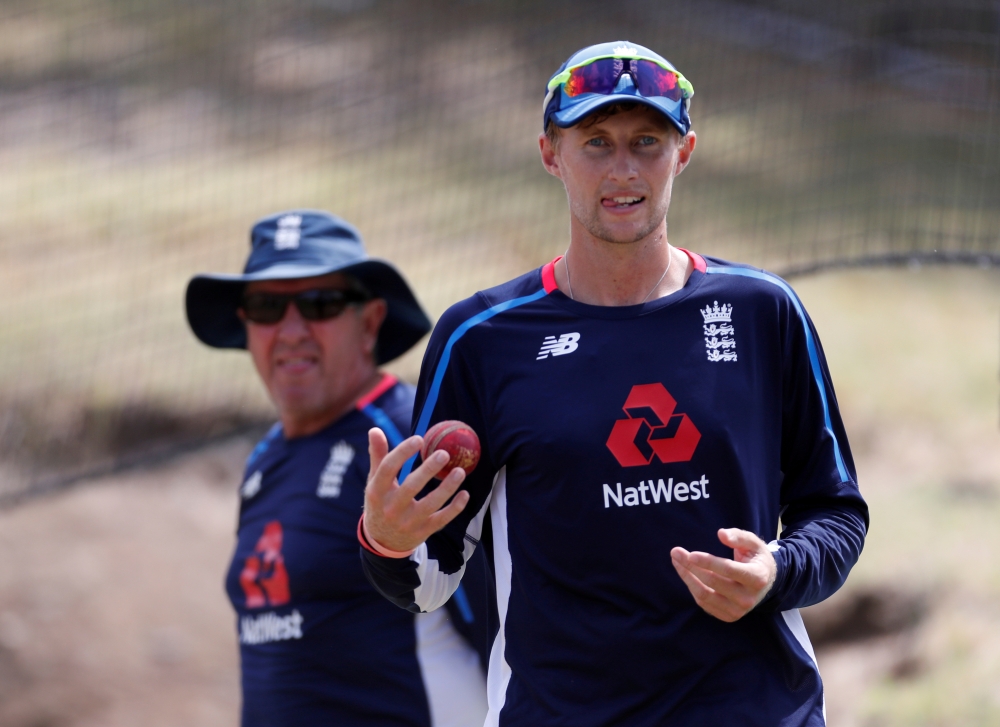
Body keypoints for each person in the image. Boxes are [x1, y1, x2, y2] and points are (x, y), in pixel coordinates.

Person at [358, 42, 869, 726]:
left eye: (647, 141)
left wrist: (775, 570)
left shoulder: (763, 310)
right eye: (595, 141)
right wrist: (386, 538)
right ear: (550, 153)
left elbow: (836, 512)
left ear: (683, 151)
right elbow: (429, 581)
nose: (623, 169)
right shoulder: (480, 337)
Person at [185, 210, 492, 727]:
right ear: (246, 326)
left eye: (320, 303)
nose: (291, 331)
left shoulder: (408, 440)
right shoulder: (265, 460)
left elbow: (502, 633)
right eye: (265, 307)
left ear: (369, 322)